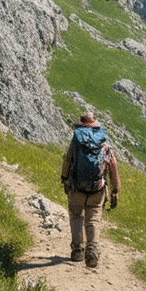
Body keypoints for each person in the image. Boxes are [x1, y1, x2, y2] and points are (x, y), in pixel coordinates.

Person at [60, 112, 120, 268]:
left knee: (75, 217)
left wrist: (64, 178)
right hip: (97, 190)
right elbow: (113, 165)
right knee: (93, 219)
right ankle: (92, 250)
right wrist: (115, 190)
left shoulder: (76, 142)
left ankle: (77, 251)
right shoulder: (103, 143)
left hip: (77, 188)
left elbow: (67, 160)